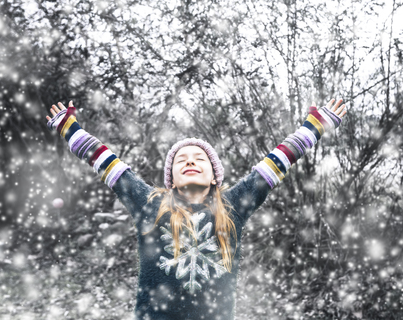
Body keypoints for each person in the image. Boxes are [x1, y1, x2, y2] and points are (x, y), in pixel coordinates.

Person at [45, 99, 347, 320]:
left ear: (215, 176)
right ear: (171, 180)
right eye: (181, 160)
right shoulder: (150, 203)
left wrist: (315, 125)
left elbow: (278, 160)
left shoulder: (233, 204)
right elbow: (107, 162)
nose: (190, 161)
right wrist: (69, 127)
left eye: (200, 158)